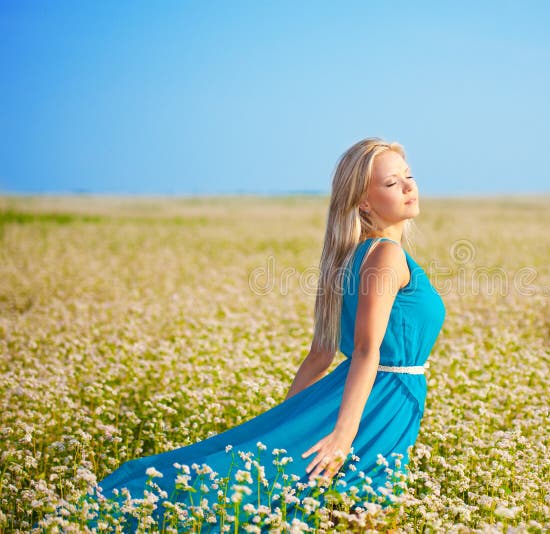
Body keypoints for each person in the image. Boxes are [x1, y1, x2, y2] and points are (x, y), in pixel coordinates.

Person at [41, 137, 446, 531]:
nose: (410, 187)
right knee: (360, 511)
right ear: (362, 200)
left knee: (335, 508)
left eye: (408, 176)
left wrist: (281, 427)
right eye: (392, 183)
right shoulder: (386, 255)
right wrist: (341, 435)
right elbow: (363, 349)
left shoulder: (346, 257)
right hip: (379, 404)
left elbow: (321, 355)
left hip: (365, 399)